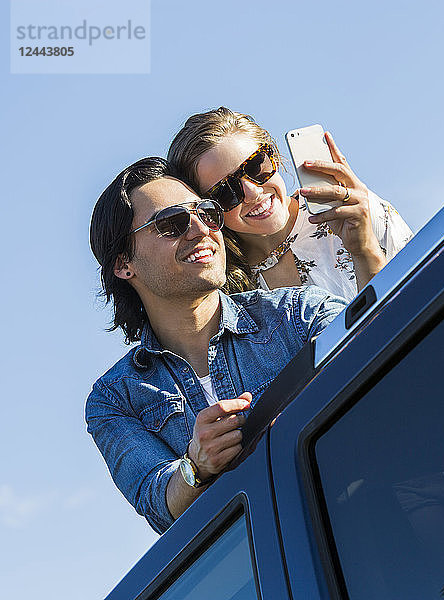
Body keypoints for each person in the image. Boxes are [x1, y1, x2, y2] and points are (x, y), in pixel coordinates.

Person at [86, 157, 347, 534]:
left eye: (207, 213)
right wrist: (196, 466)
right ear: (124, 264)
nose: (200, 230)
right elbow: (159, 505)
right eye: (172, 223)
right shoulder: (114, 399)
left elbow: (386, 369)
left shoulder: (301, 314)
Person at [167, 107, 413, 300]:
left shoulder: (356, 213)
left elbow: (420, 308)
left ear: (274, 155)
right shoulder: (218, 282)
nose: (252, 192)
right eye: (225, 192)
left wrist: (365, 250)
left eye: (256, 166)